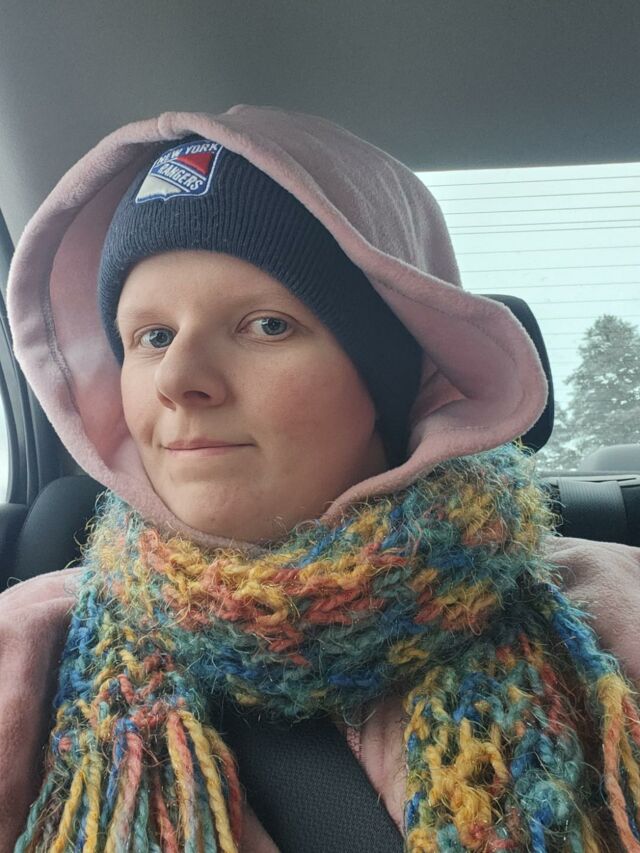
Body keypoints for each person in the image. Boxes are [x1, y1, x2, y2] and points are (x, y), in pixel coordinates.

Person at [1, 105, 640, 852]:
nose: (177, 378)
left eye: (266, 325)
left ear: (387, 379)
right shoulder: (25, 647)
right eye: (153, 336)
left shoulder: (614, 612)